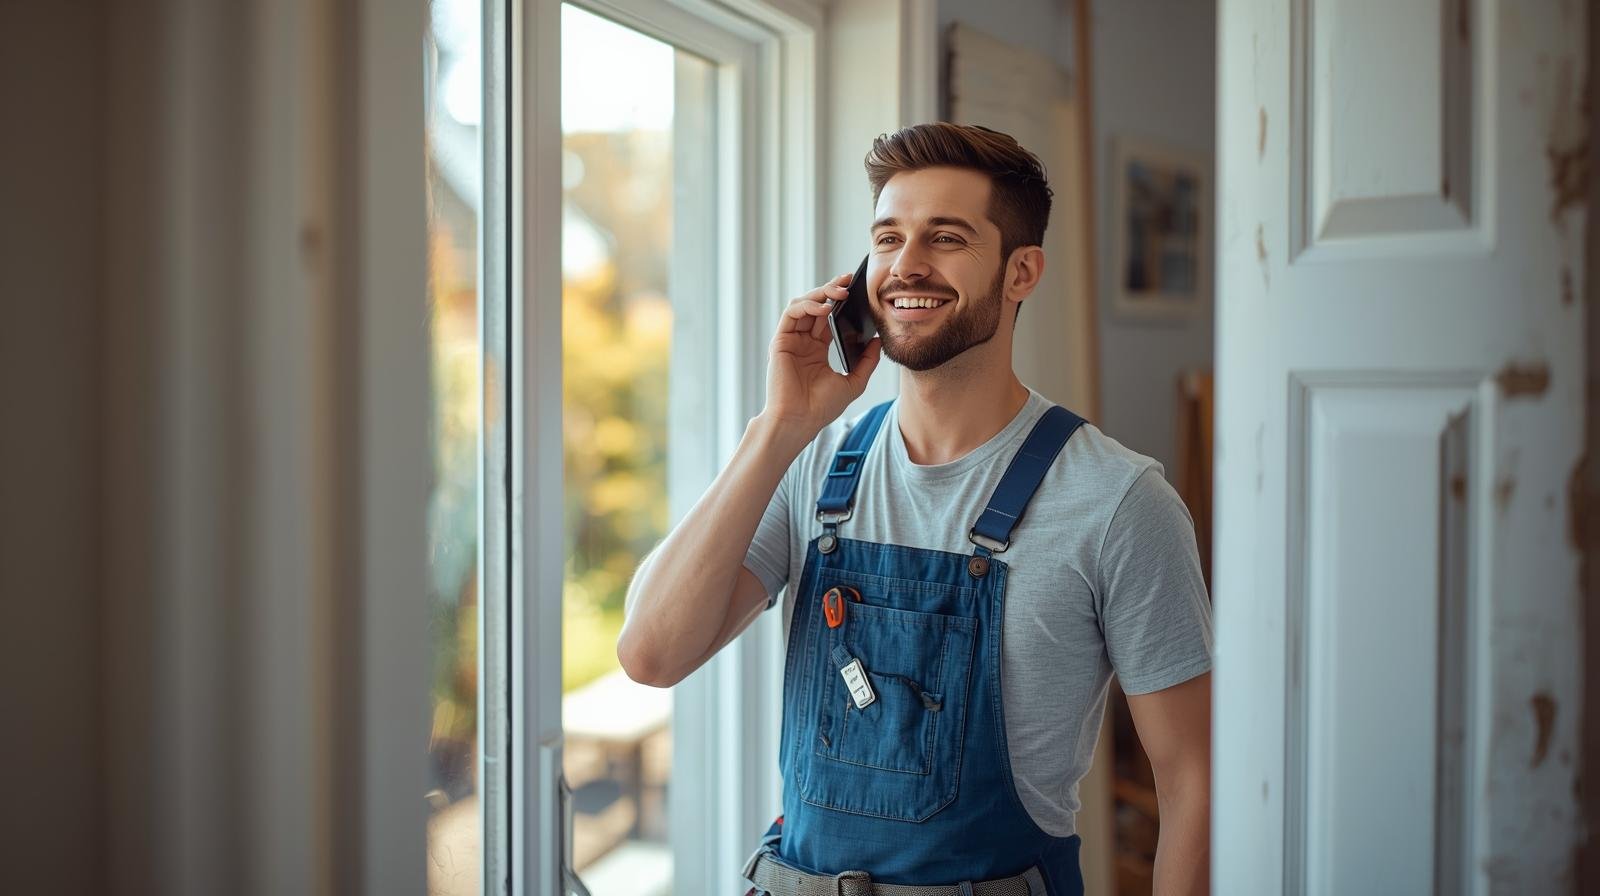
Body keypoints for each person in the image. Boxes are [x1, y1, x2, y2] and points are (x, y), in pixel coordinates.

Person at [618, 122, 1213, 896]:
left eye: (946, 238)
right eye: (888, 238)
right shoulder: (811, 465)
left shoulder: (1119, 502)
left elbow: (1193, 786)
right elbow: (652, 654)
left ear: (1021, 271)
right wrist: (779, 428)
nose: (906, 266)